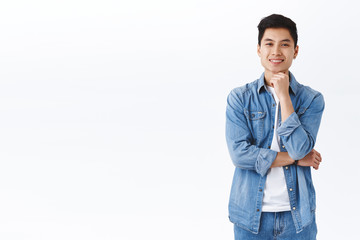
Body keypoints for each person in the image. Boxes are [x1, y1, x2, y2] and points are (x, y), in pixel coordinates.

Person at [225, 14, 324, 240]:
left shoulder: (311, 99)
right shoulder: (240, 98)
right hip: (250, 216)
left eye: (284, 44)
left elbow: (300, 147)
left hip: (297, 218)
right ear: (259, 49)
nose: (276, 51)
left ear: (295, 51)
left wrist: (284, 97)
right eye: (269, 43)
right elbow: (239, 155)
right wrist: (296, 159)